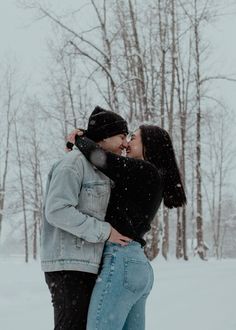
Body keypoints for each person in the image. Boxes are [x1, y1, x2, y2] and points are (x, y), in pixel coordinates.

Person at [68, 124, 187, 330]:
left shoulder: (145, 170)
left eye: (134, 138)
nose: (128, 142)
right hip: (136, 265)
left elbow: (101, 159)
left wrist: (79, 138)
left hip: (121, 262)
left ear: (148, 144)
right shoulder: (147, 176)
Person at [41, 106, 132, 330]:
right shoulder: (73, 164)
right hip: (69, 266)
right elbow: (57, 210)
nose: (125, 143)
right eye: (122, 136)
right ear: (105, 136)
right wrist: (105, 232)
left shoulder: (100, 168)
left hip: (86, 265)